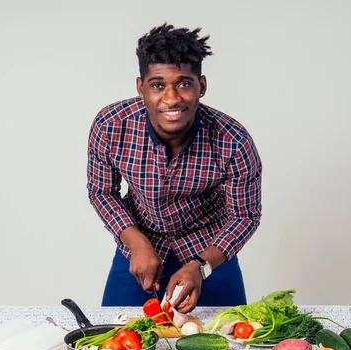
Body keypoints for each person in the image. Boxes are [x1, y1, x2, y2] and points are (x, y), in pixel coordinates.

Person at [87, 22, 262, 313]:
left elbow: (244, 216)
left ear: (201, 86)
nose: (171, 99)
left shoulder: (233, 140)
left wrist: (202, 266)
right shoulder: (110, 125)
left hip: (209, 251)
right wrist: (136, 242)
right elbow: (102, 191)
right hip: (140, 245)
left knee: (226, 339)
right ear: (141, 87)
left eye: (183, 83)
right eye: (158, 85)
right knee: (117, 335)